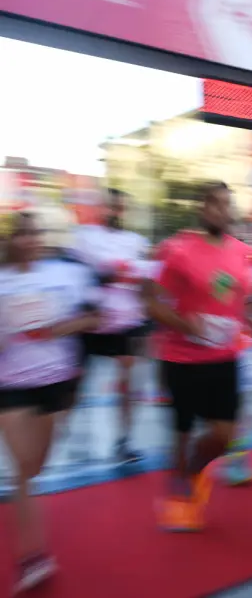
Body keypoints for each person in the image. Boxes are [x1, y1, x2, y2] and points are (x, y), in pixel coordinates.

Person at [143, 182, 252, 532]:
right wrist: (184, 324)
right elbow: (150, 301)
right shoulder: (177, 250)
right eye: (214, 204)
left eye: (227, 204)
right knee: (181, 431)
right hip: (181, 358)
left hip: (225, 356)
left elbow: (240, 298)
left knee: (224, 435)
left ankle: (192, 469)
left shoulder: (241, 252)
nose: (222, 211)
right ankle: (179, 501)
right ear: (202, 209)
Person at [0, 212, 101, 592]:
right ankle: (31, 556)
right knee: (23, 468)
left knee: (35, 465)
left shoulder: (64, 276)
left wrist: (58, 328)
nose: (30, 239)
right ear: (13, 240)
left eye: (35, 232)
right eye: (22, 233)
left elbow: (94, 318)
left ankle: (32, 552)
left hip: (54, 383)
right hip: (10, 385)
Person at [70, 189, 151, 465]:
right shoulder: (83, 237)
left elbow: (147, 277)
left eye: (120, 207)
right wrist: (102, 276)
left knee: (129, 382)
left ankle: (125, 439)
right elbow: (74, 277)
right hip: (91, 324)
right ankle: (66, 436)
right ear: (100, 208)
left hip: (127, 324)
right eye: (110, 207)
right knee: (77, 384)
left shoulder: (136, 241)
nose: (115, 212)